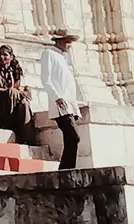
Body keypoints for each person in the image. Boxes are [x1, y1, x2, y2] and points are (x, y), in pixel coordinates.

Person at [38, 31, 84, 169]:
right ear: (59, 41)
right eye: (67, 41)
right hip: (60, 103)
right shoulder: (49, 54)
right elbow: (46, 79)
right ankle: (66, 167)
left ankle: (67, 167)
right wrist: (56, 96)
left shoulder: (64, 58)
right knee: (73, 137)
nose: (69, 45)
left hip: (69, 103)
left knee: (70, 138)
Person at [0, 44, 31, 141]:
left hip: (13, 104)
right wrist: (14, 92)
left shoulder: (15, 71)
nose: (2, 57)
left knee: (24, 104)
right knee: (11, 92)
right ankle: (6, 124)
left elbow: (17, 88)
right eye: (0, 55)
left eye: (5, 55)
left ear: (11, 57)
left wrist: (23, 91)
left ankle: (26, 138)